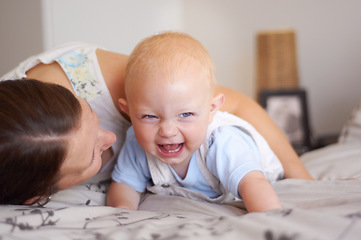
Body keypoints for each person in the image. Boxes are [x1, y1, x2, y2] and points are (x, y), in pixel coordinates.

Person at [0, 37, 312, 205]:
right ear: (38, 196)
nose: (112, 139)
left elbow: (237, 104)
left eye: (93, 117)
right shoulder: (24, 174)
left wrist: (302, 180)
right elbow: (123, 192)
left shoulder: (97, 78)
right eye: (93, 156)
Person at [106, 32, 283, 212]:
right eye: (150, 116)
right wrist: (122, 211)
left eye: (185, 115)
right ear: (128, 112)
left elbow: (254, 184)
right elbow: (124, 186)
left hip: (259, 174)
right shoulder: (136, 142)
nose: (167, 131)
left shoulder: (220, 142)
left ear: (211, 110)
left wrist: (269, 220)